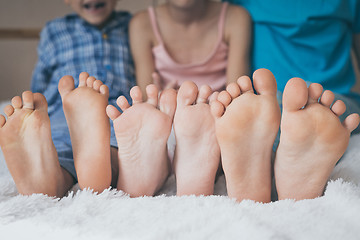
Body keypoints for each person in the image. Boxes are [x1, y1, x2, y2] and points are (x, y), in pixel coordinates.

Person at [220, 0, 360, 201]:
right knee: (272, 108)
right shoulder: (242, 4)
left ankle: (270, 171)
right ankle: (287, 172)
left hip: (331, 102)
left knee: (322, 116)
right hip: (269, 101)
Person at [0, 0, 136, 198]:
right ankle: (51, 177)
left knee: (119, 138)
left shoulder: (132, 25)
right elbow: (42, 76)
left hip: (119, 103)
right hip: (65, 106)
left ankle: (65, 178)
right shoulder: (55, 30)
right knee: (103, 142)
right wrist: (34, 112)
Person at [129, 0, 252, 196]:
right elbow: (146, 95)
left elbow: (236, 90)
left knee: (232, 123)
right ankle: (165, 164)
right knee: (156, 119)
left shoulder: (235, 18)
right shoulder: (142, 24)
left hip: (216, 111)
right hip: (168, 112)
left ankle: (184, 163)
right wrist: (165, 101)